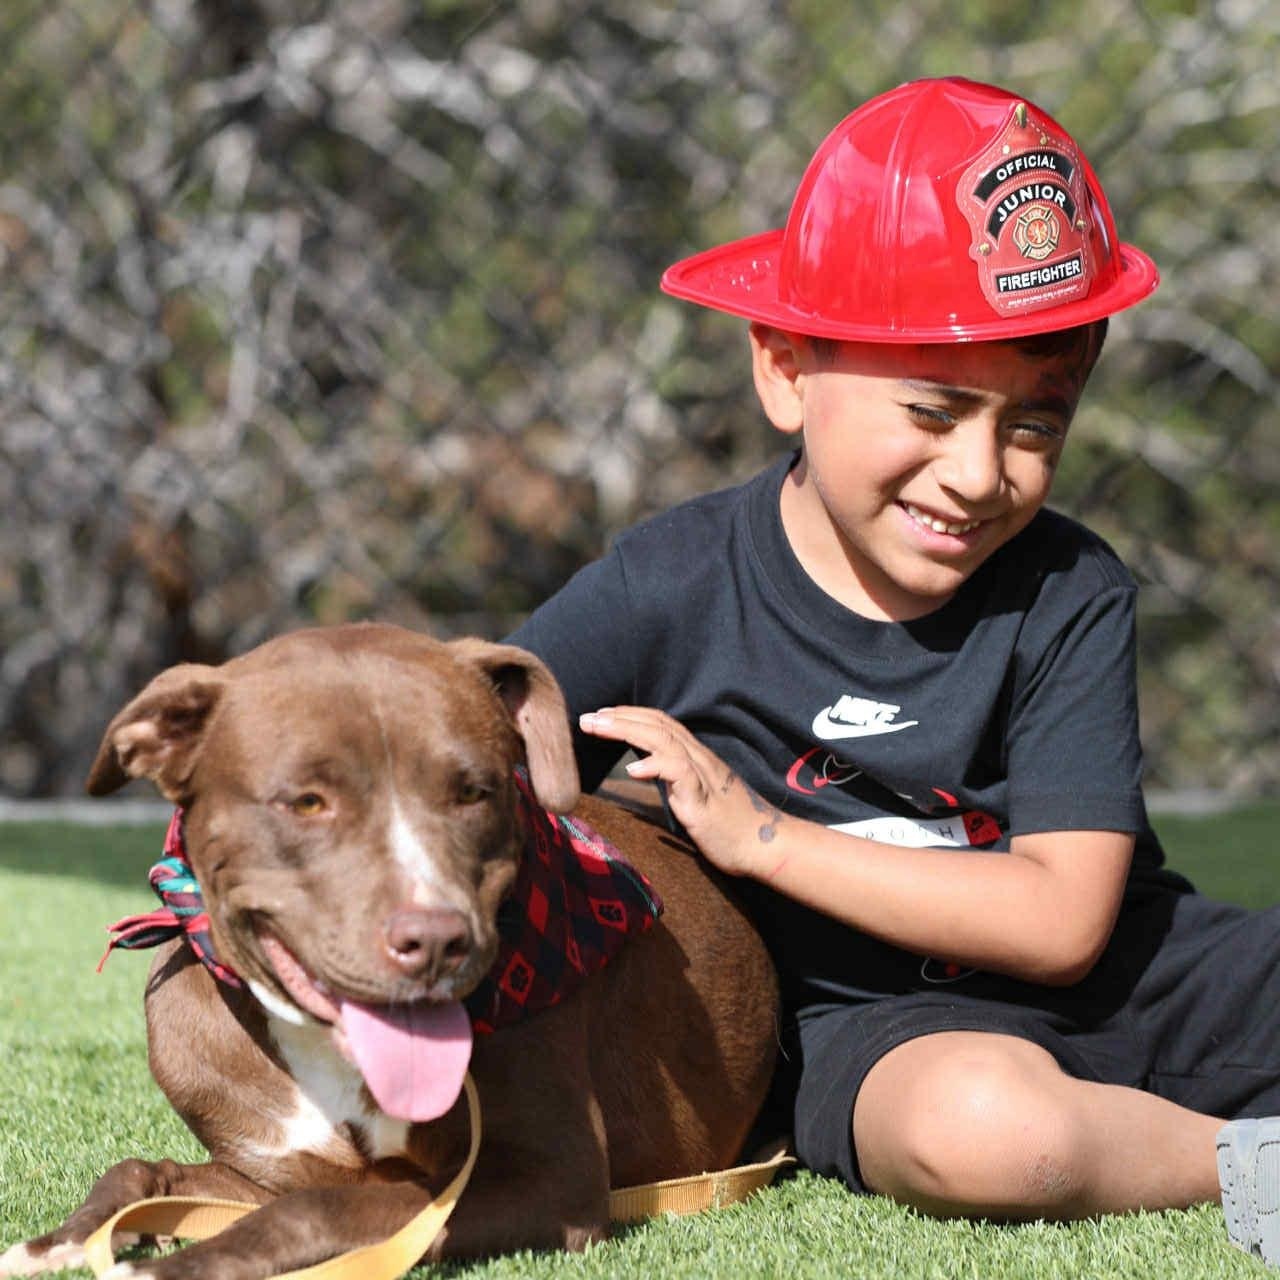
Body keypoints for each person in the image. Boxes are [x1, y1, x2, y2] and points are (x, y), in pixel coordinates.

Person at [507, 77, 1280, 1264]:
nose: (978, 473)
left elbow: (1067, 919)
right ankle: (1240, 1163)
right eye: (931, 408)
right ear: (783, 367)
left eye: (1034, 424)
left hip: (1143, 973)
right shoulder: (670, 581)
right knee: (985, 1132)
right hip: (872, 1030)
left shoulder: (1068, 589)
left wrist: (765, 837)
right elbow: (480, 717)